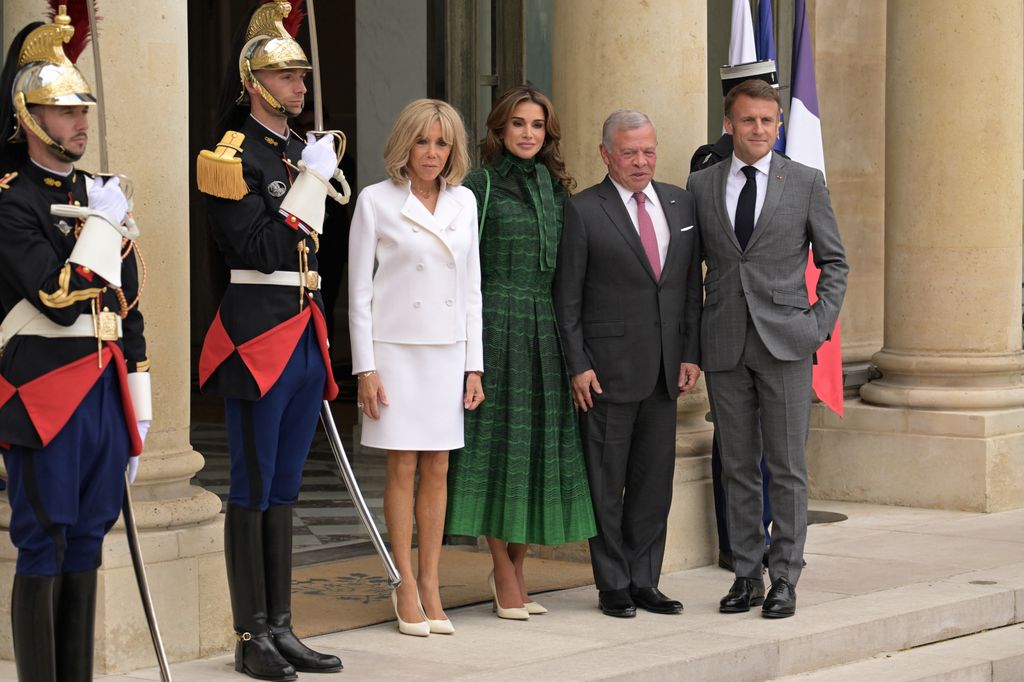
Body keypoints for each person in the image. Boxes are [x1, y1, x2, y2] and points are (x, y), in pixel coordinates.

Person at [0, 9, 151, 680]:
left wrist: (139, 396)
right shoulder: (10, 198)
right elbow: (56, 296)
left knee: (88, 540)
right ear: (29, 116)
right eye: (63, 112)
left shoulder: (95, 192)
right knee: (44, 542)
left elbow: (131, 301)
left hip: (102, 392)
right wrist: (100, 228)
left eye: (81, 109)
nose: (79, 122)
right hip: (42, 395)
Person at [195, 2, 343, 678]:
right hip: (258, 333)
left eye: (302, 75)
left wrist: (306, 173)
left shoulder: (291, 150)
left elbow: (316, 254)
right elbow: (254, 244)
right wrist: (308, 183)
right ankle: (251, 635)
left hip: (302, 330)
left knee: (285, 488)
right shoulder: (229, 156)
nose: (301, 86)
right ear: (255, 83)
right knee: (252, 486)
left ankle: (283, 626)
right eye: (287, 76)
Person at [687, 78, 848, 619]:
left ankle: (785, 578)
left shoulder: (803, 181)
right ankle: (745, 575)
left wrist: (816, 326)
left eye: (768, 121)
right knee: (737, 465)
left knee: (784, 466)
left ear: (779, 125)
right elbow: (692, 273)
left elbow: (834, 263)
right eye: (749, 120)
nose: (759, 129)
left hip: (787, 343)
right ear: (728, 124)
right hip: (725, 343)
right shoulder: (702, 184)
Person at [445, 84, 596, 620]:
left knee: (535, 450)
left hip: (547, 333)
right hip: (495, 328)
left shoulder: (559, 191)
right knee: (496, 449)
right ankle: (504, 573)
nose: (528, 134)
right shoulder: (477, 186)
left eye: (537, 126)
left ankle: (517, 566)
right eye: (518, 125)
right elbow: (459, 268)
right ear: (499, 131)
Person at [553, 110, 702, 618]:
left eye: (648, 151)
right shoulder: (582, 210)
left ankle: (646, 580)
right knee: (605, 483)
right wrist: (578, 363)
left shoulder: (681, 202)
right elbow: (566, 297)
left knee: (653, 484)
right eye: (629, 153)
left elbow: (688, 290)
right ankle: (613, 583)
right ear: (605, 154)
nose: (641, 162)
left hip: (665, 371)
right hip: (605, 372)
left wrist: (691, 352)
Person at [348, 99, 484, 637]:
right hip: (395, 351)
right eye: (424, 141)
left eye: (442, 143)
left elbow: (470, 288)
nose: (432, 153)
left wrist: (474, 367)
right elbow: (359, 291)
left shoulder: (465, 202)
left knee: (440, 468)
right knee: (402, 465)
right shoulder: (375, 202)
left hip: (448, 350)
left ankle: (432, 582)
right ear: (405, 144)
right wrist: (366, 368)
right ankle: (403, 581)